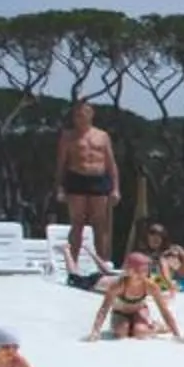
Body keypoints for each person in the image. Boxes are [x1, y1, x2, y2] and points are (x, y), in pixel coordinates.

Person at [56, 102, 120, 270]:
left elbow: (111, 163)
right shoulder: (68, 136)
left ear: (91, 114)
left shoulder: (102, 136)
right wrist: (60, 187)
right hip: (77, 178)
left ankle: (103, 264)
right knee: (77, 223)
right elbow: (61, 163)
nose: (80, 117)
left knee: (100, 224)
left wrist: (115, 188)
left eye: (83, 113)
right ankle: (73, 265)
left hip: (98, 179)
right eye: (77, 114)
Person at [85, 251, 184, 341]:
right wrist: (95, 332)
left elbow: (164, 310)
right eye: (140, 270)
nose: (144, 274)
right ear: (129, 271)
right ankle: (136, 326)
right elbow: (104, 309)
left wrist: (177, 335)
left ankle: (156, 327)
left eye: (146, 270)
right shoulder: (118, 286)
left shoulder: (150, 286)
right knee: (121, 333)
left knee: (140, 333)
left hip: (139, 311)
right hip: (120, 313)